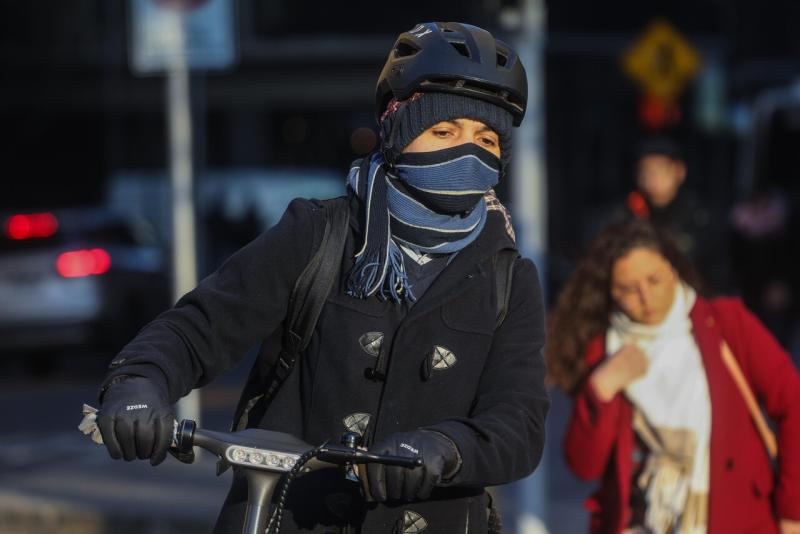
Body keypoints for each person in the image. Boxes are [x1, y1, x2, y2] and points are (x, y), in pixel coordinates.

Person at [94, 21, 549, 534]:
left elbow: (519, 424)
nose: (468, 153)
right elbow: (198, 329)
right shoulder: (317, 232)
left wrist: (446, 449)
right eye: (444, 131)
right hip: (286, 514)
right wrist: (139, 383)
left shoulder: (509, 276)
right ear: (397, 128)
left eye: (486, 139)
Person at [546, 218, 800, 533]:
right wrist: (601, 389)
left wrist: (793, 510)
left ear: (673, 268)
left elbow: (792, 402)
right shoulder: (606, 350)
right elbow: (584, 467)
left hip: (738, 519)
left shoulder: (726, 324)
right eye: (627, 289)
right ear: (610, 292)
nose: (645, 297)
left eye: (654, 280)